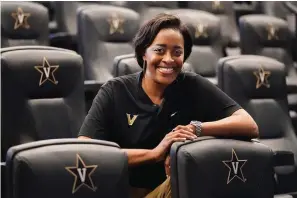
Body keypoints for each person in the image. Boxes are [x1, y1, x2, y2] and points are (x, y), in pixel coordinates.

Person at [78, 13, 259, 198]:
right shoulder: (114, 91)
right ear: (144, 53)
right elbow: (86, 153)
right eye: (159, 50)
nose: (169, 59)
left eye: (177, 52)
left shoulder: (192, 85)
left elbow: (249, 125)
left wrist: (195, 129)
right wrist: (155, 154)